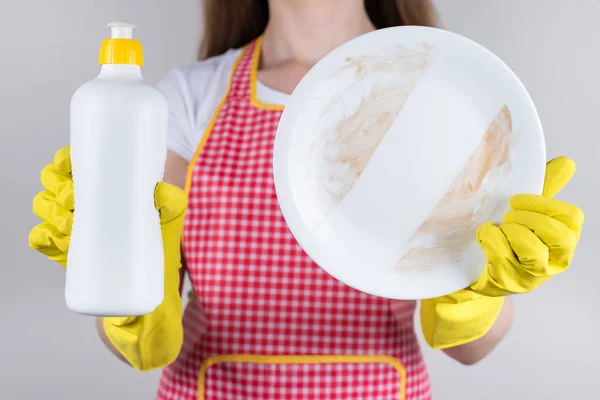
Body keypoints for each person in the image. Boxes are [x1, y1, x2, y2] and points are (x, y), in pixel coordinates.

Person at [29, 0, 584, 399]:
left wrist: (479, 291)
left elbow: (472, 349)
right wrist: (116, 287)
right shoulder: (189, 98)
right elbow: (138, 330)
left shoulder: (444, 93)